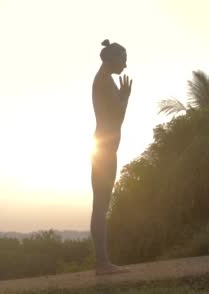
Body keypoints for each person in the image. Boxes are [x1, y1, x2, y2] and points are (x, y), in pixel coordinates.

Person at [91, 39, 132, 275]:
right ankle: (102, 263)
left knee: (101, 205)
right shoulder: (105, 82)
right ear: (112, 59)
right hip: (104, 152)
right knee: (100, 206)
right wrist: (126, 97)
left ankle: (102, 262)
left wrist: (123, 96)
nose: (125, 65)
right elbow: (117, 118)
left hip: (104, 149)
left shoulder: (105, 80)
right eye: (123, 59)